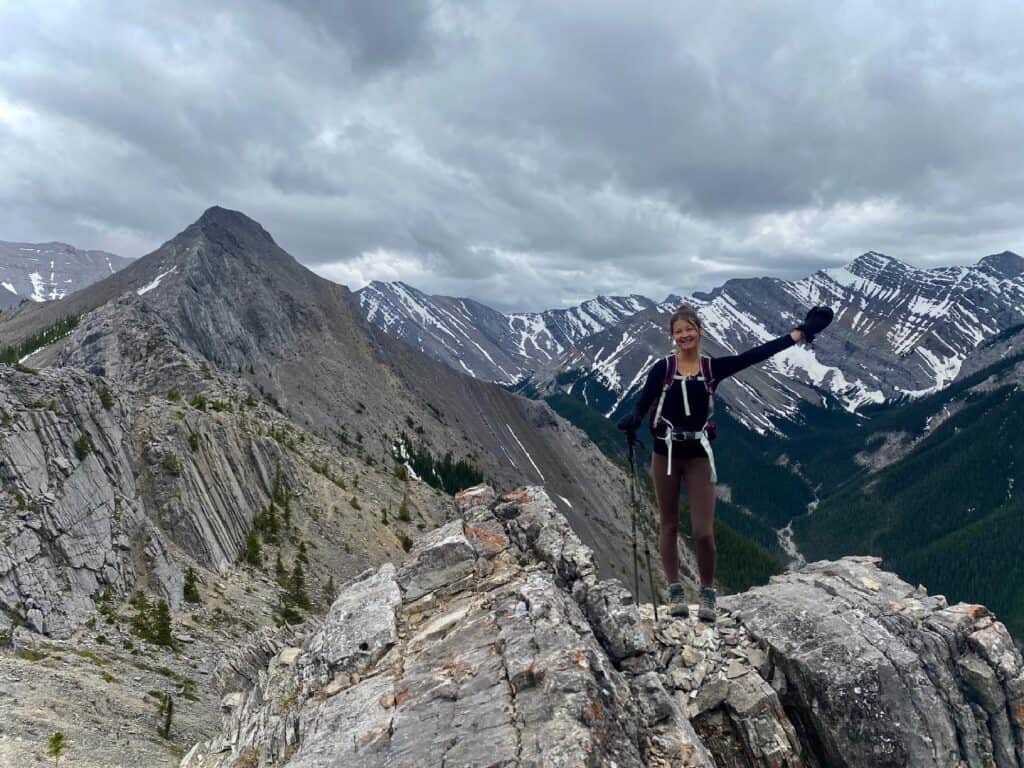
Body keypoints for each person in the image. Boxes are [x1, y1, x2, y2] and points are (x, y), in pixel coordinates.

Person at [617, 303, 833, 622]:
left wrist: (797, 334)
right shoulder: (661, 369)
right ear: (672, 336)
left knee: (703, 531)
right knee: (669, 524)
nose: (685, 335)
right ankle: (675, 590)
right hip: (665, 454)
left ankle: (707, 593)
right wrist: (634, 416)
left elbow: (753, 356)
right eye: (679, 331)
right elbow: (645, 400)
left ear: (699, 331)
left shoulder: (710, 368)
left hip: (698, 456)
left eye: (690, 329)